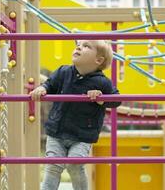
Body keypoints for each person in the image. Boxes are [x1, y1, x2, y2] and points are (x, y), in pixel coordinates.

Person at [30, 40, 121, 190]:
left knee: (74, 165)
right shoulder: (63, 72)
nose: (79, 47)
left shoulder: (102, 82)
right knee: (52, 167)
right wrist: (42, 88)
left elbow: (116, 100)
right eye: (78, 45)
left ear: (98, 60)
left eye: (86, 46)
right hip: (56, 132)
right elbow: (50, 84)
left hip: (82, 136)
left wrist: (101, 99)